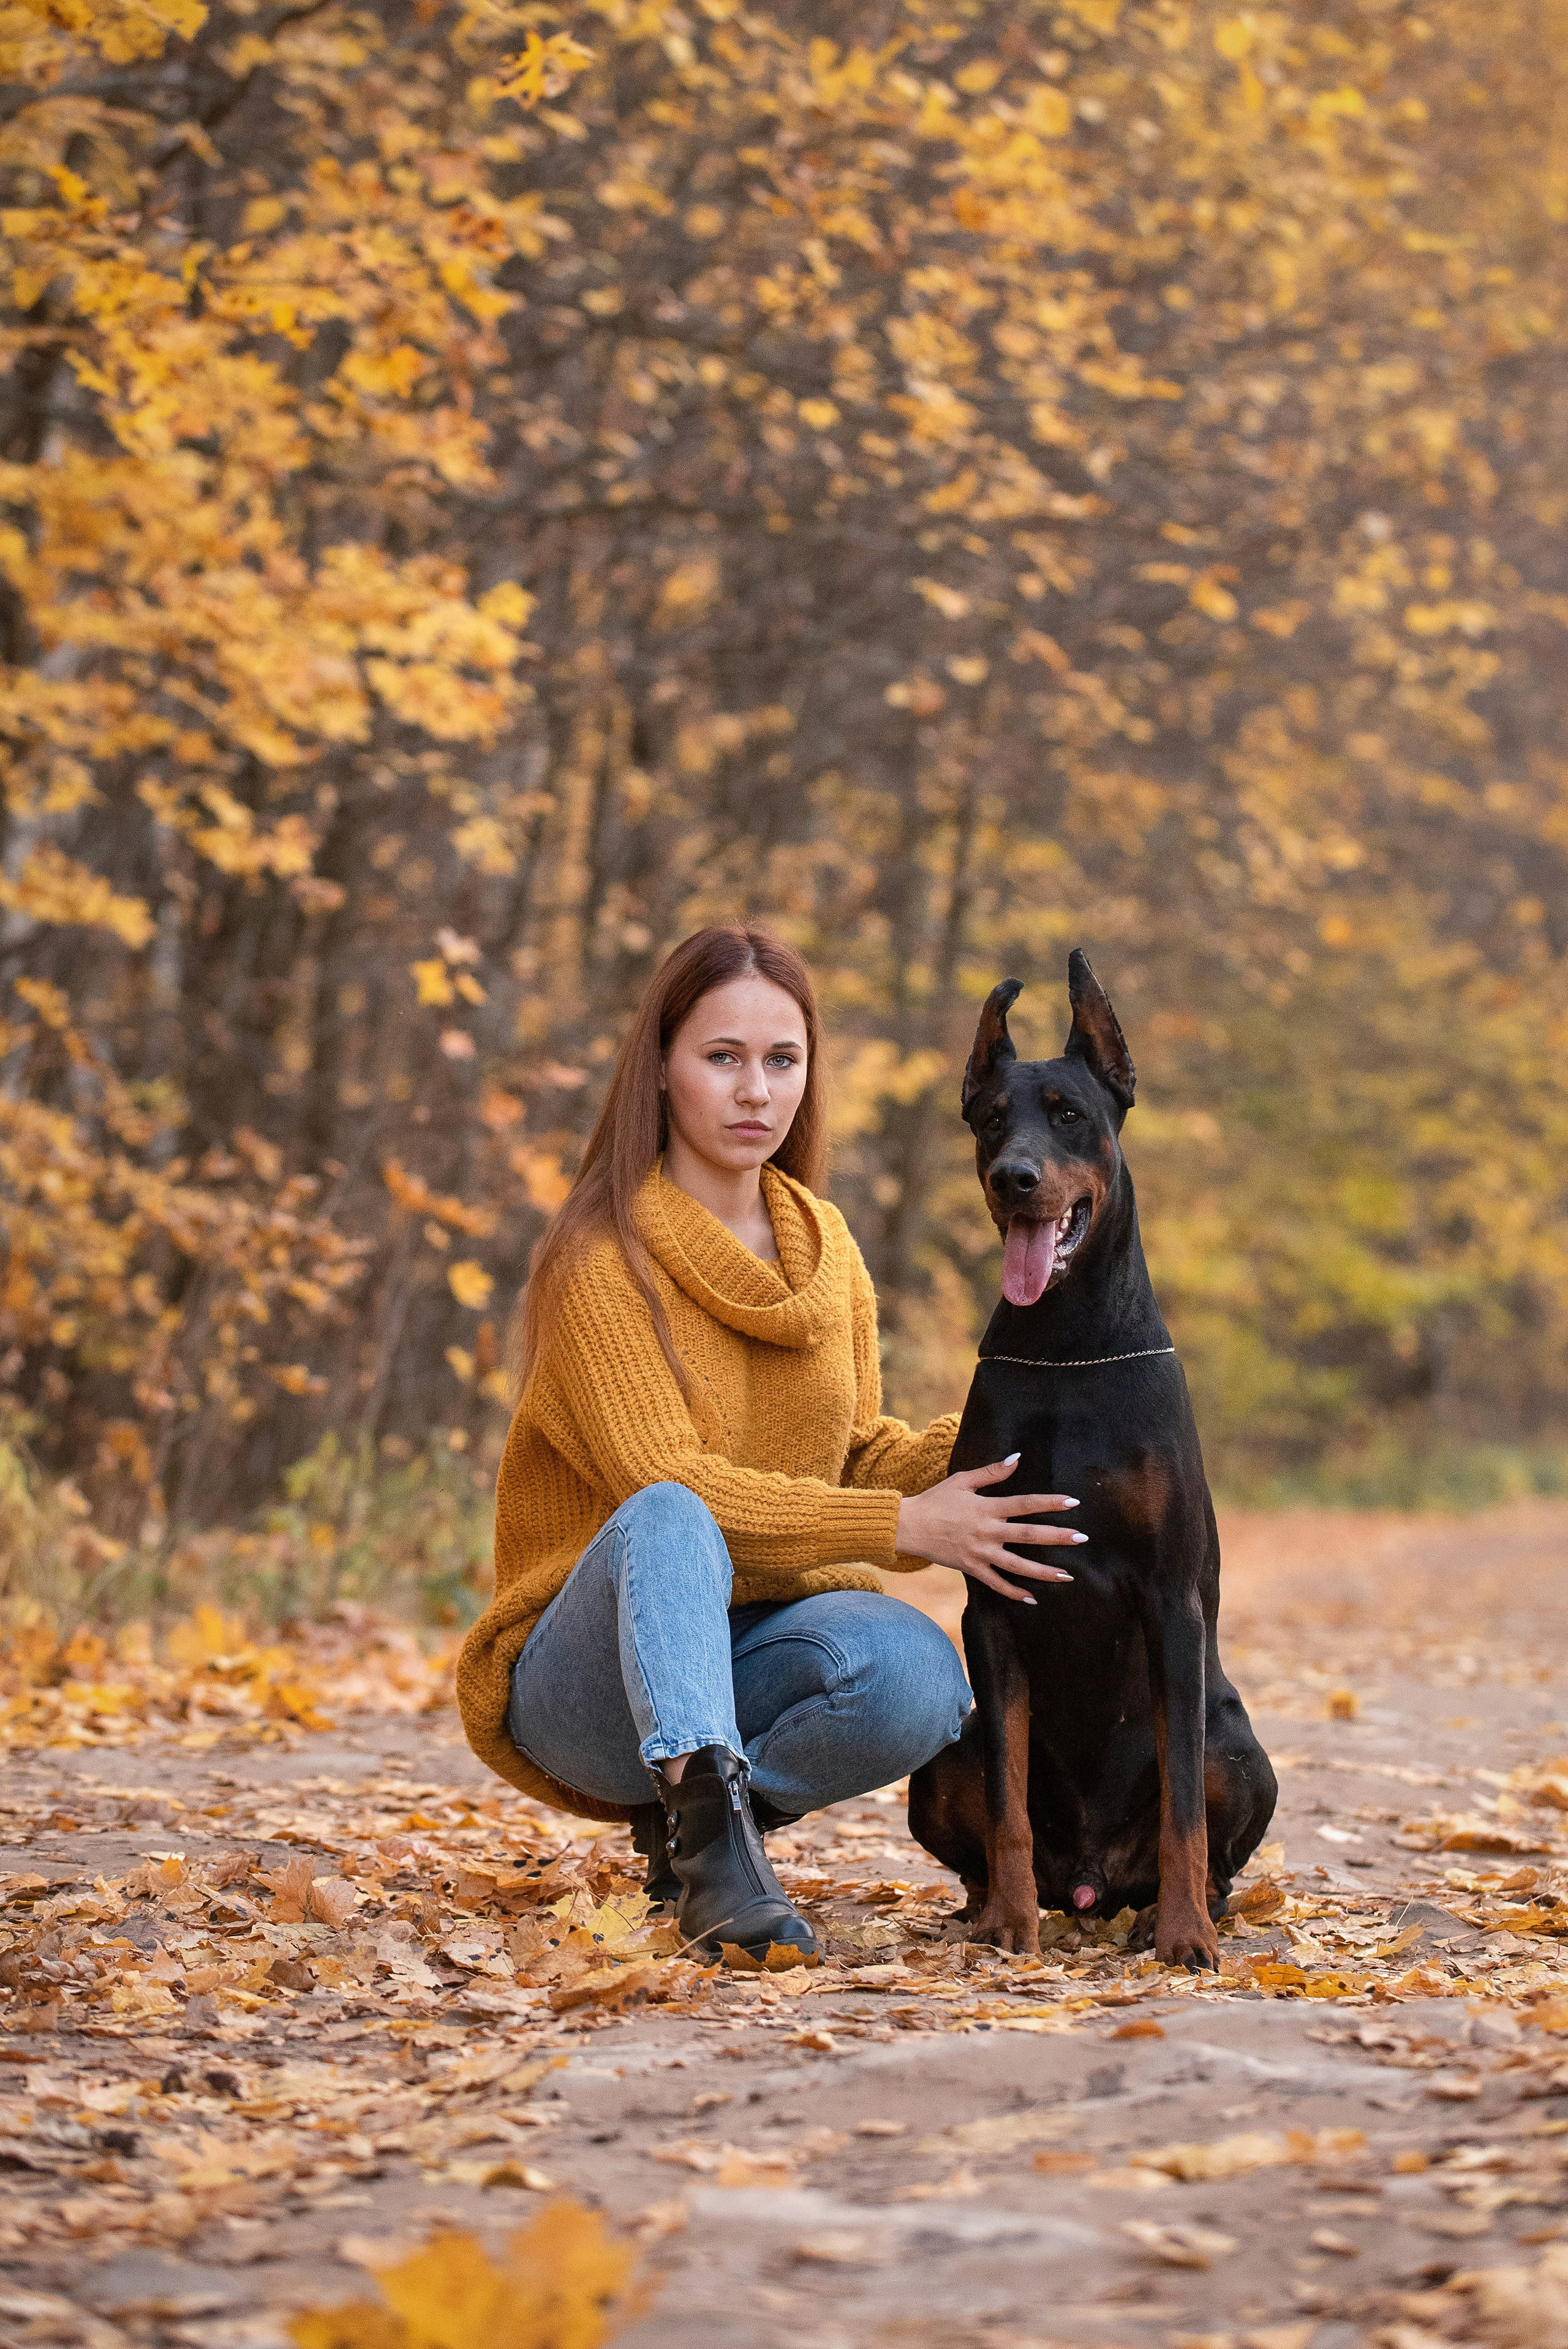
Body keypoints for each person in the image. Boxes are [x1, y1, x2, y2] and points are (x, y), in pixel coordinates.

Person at [456, 924, 1085, 1962]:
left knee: (920, 1677)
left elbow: (861, 1453)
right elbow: (668, 1483)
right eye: (723, 1057)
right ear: (662, 1069)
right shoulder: (600, 1256)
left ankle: (703, 1829)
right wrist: (902, 1525)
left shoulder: (827, 1250)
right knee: (669, 1512)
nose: (756, 1091)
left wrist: (1016, 1424)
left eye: (782, 1060)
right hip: (589, 1680)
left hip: (751, 1649)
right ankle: (717, 1865)